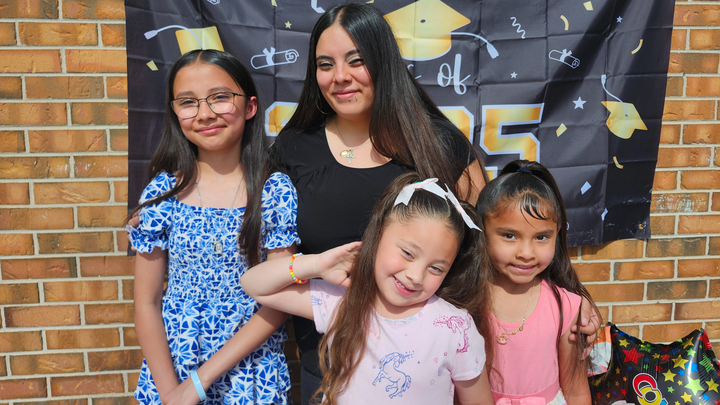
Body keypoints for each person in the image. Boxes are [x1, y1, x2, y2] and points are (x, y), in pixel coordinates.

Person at [268, 4, 487, 402]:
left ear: (383, 61)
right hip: (329, 374)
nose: (340, 76)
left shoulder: (437, 144)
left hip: (422, 377)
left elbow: (482, 254)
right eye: (325, 64)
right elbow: (274, 275)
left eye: (356, 61)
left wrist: (567, 305)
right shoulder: (294, 149)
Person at [127, 49, 298, 405]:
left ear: (250, 107)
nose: (204, 113)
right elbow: (146, 301)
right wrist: (171, 393)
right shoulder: (163, 193)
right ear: (175, 112)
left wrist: (199, 382)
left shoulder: (274, 192)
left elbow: (280, 300)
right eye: (188, 102)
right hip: (173, 372)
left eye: (220, 97)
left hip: (250, 372)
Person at [241, 173, 495, 405]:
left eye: (436, 268)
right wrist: (316, 264)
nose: (416, 276)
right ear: (378, 235)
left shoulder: (455, 328)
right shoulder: (341, 301)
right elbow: (254, 285)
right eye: (408, 253)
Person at [475, 160, 597, 405]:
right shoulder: (465, 301)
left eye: (541, 237)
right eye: (509, 235)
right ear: (482, 230)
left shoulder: (566, 307)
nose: (526, 253)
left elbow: (576, 391)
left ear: (557, 233)